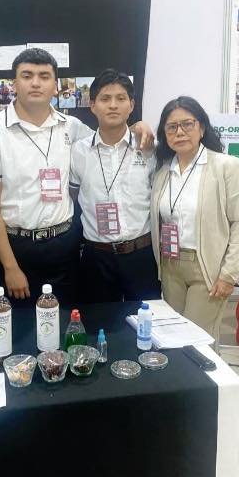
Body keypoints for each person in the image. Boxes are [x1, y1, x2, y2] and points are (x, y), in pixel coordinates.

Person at [0, 48, 153, 306]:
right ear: (14, 83)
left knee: (66, 317)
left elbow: (110, 135)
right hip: (15, 245)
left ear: (55, 86)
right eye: (27, 75)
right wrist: (10, 266)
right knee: (20, 321)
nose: (36, 83)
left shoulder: (72, 127)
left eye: (44, 76)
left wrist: (138, 126)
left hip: (63, 246)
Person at [151, 96, 239, 345]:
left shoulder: (225, 166)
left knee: (197, 340)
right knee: (174, 337)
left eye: (187, 124)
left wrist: (229, 273)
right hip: (170, 265)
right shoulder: (163, 172)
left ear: (202, 128)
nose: (180, 132)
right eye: (171, 127)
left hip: (207, 266)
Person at [69, 69, 160, 303]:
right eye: (105, 98)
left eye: (120, 98)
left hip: (141, 254)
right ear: (92, 105)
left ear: (131, 105)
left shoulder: (148, 148)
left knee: (146, 320)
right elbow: (73, 194)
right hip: (96, 257)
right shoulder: (78, 151)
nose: (113, 105)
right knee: (98, 320)